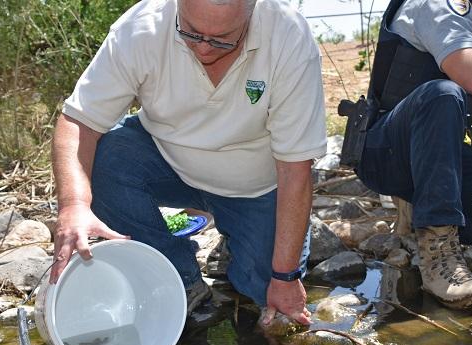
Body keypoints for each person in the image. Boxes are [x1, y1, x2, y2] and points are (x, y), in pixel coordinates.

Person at [50, 0, 327, 325]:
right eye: (191, 32)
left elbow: (296, 169)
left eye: (223, 39)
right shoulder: (141, 27)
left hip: (254, 186)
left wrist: (285, 275)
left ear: (253, 11)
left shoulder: (288, 36)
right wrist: (73, 205)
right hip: (167, 160)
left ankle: (238, 237)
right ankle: (178, 278)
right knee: (106, 156)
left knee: (267, 291)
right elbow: (78, 122)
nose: (205, 49)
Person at [345, 0, 472, 309]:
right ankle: (439, 257)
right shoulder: (437, 4)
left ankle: (422, 210)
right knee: (442, 92)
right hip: (384, 152)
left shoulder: (466, 13)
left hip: (436, 154)